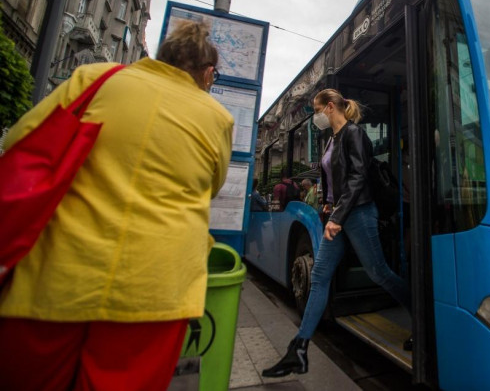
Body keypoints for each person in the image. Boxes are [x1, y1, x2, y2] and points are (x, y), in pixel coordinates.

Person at [0, 20, 234, 391]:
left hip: (54, 278)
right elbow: (212, 186)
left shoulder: (95, 79)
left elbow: (19, 141)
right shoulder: (217, 116)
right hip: (156, 291)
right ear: (207, 73)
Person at [262, 88, 411, 378]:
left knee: (379, 272)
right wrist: (329, 207)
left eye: (316, 110)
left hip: (359, 214)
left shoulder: (354, 134)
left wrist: (338, 215)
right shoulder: (331, 139)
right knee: (319, 277)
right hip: (339, 217)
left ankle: (421, 316)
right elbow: (335, 183)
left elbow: (358, 178)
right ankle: (299, 350)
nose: (314, 117)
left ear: (330, 107)